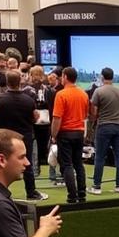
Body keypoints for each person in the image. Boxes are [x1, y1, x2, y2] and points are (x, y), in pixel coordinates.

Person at [0, 71, 47, 201]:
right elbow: (35, 117)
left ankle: (1, 193)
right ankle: (31, 192)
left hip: (5, 136)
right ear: (20, 81)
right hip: (24, 136)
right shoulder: (28, 99)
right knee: (27, 164)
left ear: (7, 81)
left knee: (1, 163)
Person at [50, 66, 89, 205]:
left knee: (67, 165)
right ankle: (82, 193)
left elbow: (57, 118)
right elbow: (85, 115)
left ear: (65, 77)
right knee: (79, 164)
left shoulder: (61, 95)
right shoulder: (83, 94)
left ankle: (72, 195)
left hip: (65, 132)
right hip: (79, 132)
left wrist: (53, 134)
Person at [89, 67, 119, 194]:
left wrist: (94, 121)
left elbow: (93, 110)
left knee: (100, 157)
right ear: (113, 77)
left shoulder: (98, 91)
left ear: (102, 77)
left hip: (104, 126)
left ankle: (97, 186)